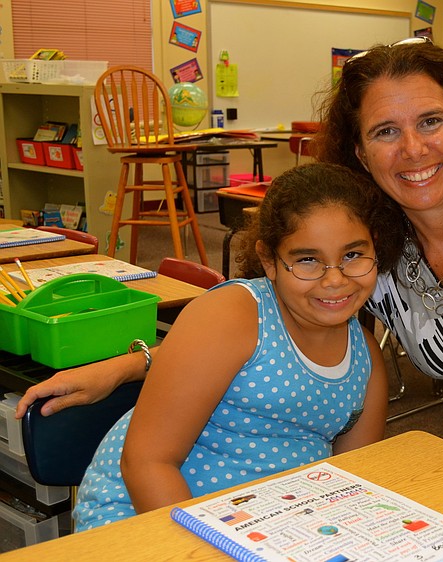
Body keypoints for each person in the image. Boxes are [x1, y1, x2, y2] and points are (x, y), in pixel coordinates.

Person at [18, 40, 443, 532]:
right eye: (385, 131)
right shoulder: (371, 250)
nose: (414, 149)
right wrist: (134, 364)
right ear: (359, 150)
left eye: (430, 121)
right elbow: (265, 322)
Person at [56, 163, 389, 529]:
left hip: (270, 525)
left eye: (353, 255)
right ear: (269, 261)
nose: (335, 279)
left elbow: (350, 480)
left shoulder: (366, 357)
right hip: (147, 515)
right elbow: (147, 463)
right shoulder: (233, 314)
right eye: (307, 260)